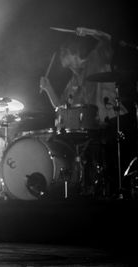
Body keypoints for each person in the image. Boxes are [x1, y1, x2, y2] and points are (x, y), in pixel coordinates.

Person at [39, 27, 137, 198]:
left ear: (73, 52)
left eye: (64, 54)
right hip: (98, 127)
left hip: (116, 119)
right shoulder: (74, 81)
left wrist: (91, 32)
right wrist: (48, 89)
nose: (62, 58)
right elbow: (62, 107)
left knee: (119, 167)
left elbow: (107, 38)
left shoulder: (96, 57)